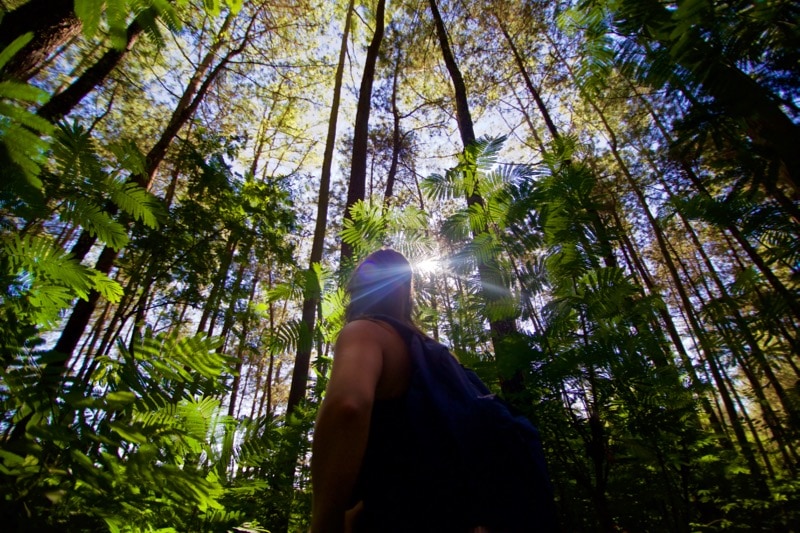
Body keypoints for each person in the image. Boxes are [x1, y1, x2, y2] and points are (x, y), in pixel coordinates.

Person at [310, 249, 555, 533]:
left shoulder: (365, 331)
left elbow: (347, 408)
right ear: (406, 292)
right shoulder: (437, 357)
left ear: (356, 290)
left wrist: (323, 523)